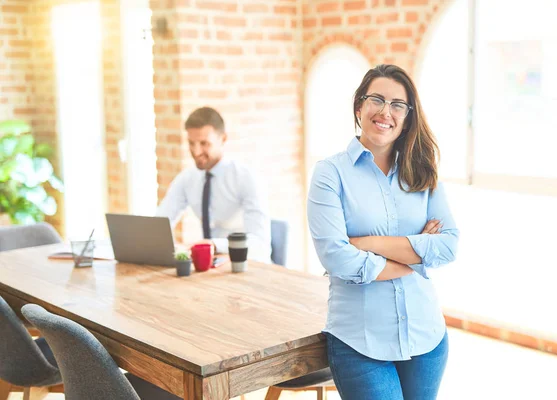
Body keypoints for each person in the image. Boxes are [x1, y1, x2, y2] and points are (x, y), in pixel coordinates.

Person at [307, 64, 459, 400]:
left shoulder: (422, 172)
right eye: (376, 99)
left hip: (426, 337)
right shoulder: (330, 174)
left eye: (397, 105)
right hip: (360, 343)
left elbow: (448, 246)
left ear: (406, 117)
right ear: (359, 106)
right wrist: (414, 257)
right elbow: (337, 258)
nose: (385, 111)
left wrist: (367, 244)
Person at [157, 107, 271, 263]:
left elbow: (260, 244)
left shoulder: (245, 178)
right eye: (191, 143)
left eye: (204, 143)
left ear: (223, 139)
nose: (196, 152)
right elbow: (159, 223)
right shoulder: (187, 179)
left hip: (246, 265)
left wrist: (214, 245)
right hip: (210, 267)